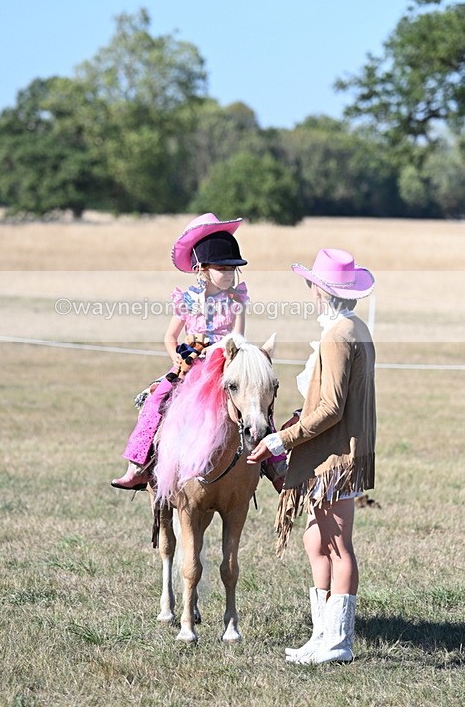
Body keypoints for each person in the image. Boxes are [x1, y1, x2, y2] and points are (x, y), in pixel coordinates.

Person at [247, 248, 376, 664]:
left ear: (322, 292)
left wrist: (281, 440)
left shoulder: (337, 335)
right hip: (332, 451)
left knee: (338, 545)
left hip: (334, 456)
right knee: (315, 539)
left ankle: (338, 643)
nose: (310, 292)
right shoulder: (352, 328)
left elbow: (332, 407)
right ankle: (322, 635)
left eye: (313, 287)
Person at [111, 213, 251, 491]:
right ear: (202, 268)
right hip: (190, 362)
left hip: (225, 363)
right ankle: (139, 465)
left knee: (257, 405)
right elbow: (170, 336)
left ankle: (274, 465)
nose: (228, 274)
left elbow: (238, 338)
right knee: (156, 399)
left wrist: (223, 354)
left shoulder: (236, 300)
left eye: (232, 268)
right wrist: (176, 354)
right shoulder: (187, 300)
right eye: (222, 268)